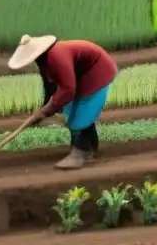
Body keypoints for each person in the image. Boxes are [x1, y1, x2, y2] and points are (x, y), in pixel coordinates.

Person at [7, 34, 118, 170]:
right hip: (82, 73)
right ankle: (90, 148)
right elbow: (50, 86)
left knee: (81, 112)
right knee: (73, 110)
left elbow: (68, 89)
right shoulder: (43, 60)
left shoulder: (56, 57)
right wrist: (43, 111)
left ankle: (79, 153)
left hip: (98, 70)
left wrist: (47, 110)